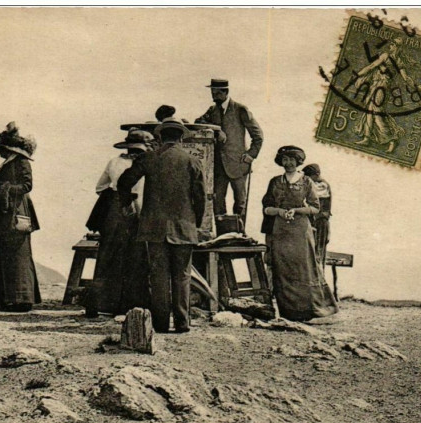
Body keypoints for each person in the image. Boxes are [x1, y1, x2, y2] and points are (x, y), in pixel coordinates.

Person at [118, 117, 205, 333]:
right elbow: (200, 197)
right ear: (181, 137)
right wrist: (197, 223)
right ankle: (183, 323)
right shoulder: (192, 161)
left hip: (153, 227)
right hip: (184, 227)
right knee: (182, 275)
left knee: (158, 276)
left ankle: (160, 324)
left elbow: (123, 182)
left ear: (160, 136)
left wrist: (127, 202)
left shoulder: (149, 158)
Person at [262, 146, 337, 321]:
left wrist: (297, 210)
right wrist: (279, 212)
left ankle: (311, 311)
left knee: (304, 269)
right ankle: (288, 313)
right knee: (283, 269)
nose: (288, 163)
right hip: (280, 230)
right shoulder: (275, 181)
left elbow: (315, 207)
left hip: (300, 230)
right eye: (285, 159)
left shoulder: (307, 182)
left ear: (298, 161)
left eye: (291, 159)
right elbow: (266, 208)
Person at [86, 128, 153, 316]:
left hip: (114, 213)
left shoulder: (115, 162)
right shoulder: (147, 164)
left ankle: (101, 304)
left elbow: (100, 188)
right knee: (137, 258)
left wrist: (115, 197)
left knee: (108, 257)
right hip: (139, 213)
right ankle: (132, 305)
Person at [0, 122, 41, 312]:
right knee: (3, 254)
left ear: (8, 148)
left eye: (0, 147)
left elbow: (26, 186)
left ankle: (22, 300)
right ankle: (4, 299)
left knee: (18, 255)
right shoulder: (9, 163)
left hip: (17, 213)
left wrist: (3, 187)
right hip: (5, 213)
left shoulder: (21, 163)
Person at [195, 78, 263, 223]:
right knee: (217, 201)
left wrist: (251, 155)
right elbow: (198, 122)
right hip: (219, 166)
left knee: (240, 202)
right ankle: (222, 234)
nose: (213, 96)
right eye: (212, 93)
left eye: (216, 93)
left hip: (238, 164)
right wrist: (216, 130)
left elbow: (258, 136)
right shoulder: (212, 110)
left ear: (225, 92)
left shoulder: (240, 109)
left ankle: (240, 234)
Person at [352, 37, 416, 153]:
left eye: (392, 44)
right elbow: (406, 78)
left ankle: (392, 139)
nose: (390, 46)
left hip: (381, 87)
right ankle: (367, 138)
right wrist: (415, 86)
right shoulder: (399, 62)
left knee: (376, 112)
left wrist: (358, 74)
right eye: (391, 44)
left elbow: (371, 66)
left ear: (397, 47)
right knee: (370, 111)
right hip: (378, 86)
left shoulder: (386, 56)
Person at [302, 163, 332, 268]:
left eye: (310, 177)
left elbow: (311, 193)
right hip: (315, 222)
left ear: (317, 174)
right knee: (311, 250)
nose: (308, 179)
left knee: (318, 252)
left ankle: (319, 278)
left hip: (321, 222)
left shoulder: (322, 185)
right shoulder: (315, 184)